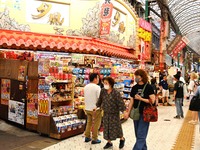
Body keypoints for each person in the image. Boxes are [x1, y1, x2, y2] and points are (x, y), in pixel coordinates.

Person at [124, 69, 155, 150]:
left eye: (136, 76)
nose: (135, 78)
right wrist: (128, 112)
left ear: (141, 77)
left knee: (141, 135)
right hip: (136, 113)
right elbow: (131, 101)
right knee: (138, 134)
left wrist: (141, 99)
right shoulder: (134, 88)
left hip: (146, 113)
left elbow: (153, 101)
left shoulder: (149, 87)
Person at [96, 77, 126, 149]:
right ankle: (109, 142)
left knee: (117, 128)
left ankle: (122, 139)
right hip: (106, 113)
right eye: (104, 83)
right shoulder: (103, 91)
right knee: (106, 128)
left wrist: (124, 111)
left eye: (106, 83)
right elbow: (100, 99)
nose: (104, 85)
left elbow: (120, 103)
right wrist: (97, 106)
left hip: (114, 114)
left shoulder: (116, 93)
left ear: (111, 84)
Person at [84, 73, 102, 144]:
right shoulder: (97, 87)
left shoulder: (86, 87)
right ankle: (94, 138)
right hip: (95, 109)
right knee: (96, 124)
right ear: (95, 79)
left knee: (89, 122)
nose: (98, 80)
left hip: (87, 108)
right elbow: (99, 98)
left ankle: (87, 136)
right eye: (97, 78)